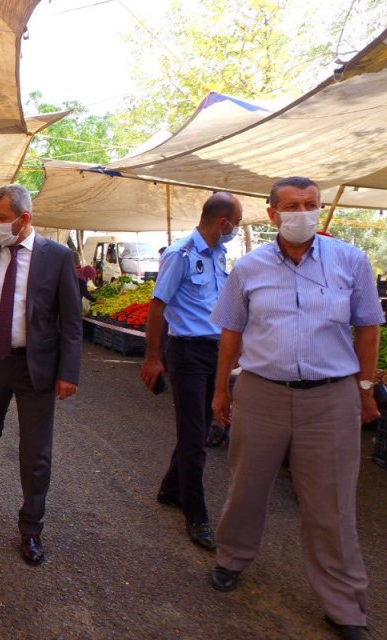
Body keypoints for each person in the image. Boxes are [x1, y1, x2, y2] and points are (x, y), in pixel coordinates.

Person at [209, 176, 383, 640]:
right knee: (247, 487)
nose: (302, 212)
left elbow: (368, 327)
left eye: (311, 204)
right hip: (261, 393)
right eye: (291, 205)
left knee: (332, 504)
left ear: (320, 210)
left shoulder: (351, 260)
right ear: (272, 214)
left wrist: (365, 387)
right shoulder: (248, 268)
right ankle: (231, 558)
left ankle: (345, 605)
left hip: (330, 398)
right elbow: (231, 331)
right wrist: (222, 390)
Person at [0, 184, 82, 566]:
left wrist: (67, 371)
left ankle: (31, 528)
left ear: (24, 219)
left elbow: (71, 322)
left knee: (36, 452)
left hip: (35, 367)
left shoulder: (56, 257)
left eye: (2, 219)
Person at [138, 192, 243, 551]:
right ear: (222, 223)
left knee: (195, 429)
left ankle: (170, 489)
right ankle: (196, 514)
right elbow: (156, 307)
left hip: (215, 352)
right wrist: (153, 358)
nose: (236, 230)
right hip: (187, 353)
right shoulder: (180, 254)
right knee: (195, 434)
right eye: (237, 224)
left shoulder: (219, 254)